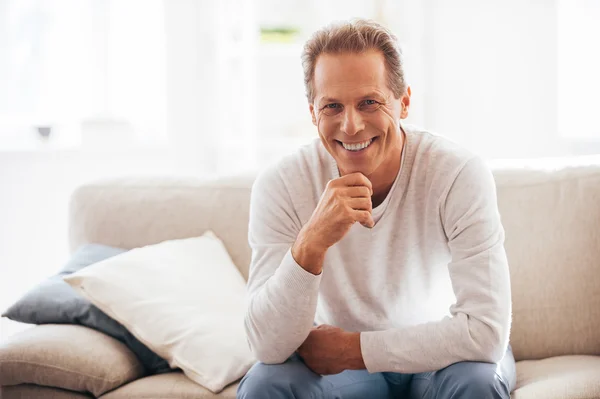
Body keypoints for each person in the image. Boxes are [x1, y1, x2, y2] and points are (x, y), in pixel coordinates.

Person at [237, 18, 516, 399]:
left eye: (369, 102)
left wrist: (357, 349)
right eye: (332, 106)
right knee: (266, 384)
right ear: (312, 113)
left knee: (477, 383)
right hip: (339, 373)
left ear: (403, 103)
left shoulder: (458, 173)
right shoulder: (281, 184)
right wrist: (310, 244)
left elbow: (486, 333)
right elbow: (266, 347)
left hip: (444, 356)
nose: (350, 126)